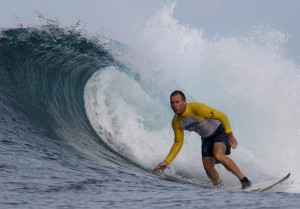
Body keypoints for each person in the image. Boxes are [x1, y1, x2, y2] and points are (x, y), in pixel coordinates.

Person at [153, 90, 252, 189]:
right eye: (172, 103)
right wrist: (167, 161)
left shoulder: (196, 108)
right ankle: (219, 186)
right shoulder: (176, 122)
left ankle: (244, 180)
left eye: (177, 102)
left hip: (219, 130)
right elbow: (178, 143)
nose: (174, 105)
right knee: (208, 168)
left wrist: (230, 134)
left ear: (184, 101)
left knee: (218, 155)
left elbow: (223, 116)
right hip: (206, 138)